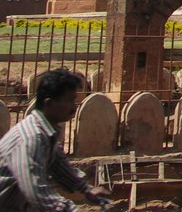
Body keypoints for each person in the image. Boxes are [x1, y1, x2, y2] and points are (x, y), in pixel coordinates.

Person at [0, 68, 111, 211]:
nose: (74, 107)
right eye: (70, 101)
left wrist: (86, 189)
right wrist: (70, 209)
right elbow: (36, 190)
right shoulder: (31, 138)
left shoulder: (47, 132)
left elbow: (60, 166)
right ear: (49, 103)